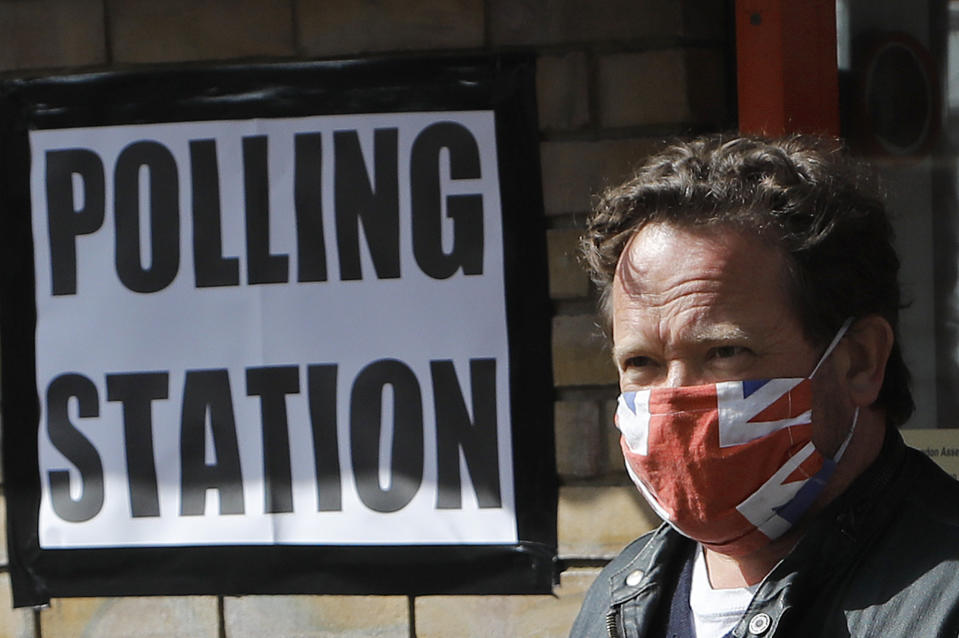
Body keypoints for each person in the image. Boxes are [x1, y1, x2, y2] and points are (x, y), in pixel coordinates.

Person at [569, 135, 959, 638]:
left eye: (724, 352)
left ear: (859, 361)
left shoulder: (943, 601)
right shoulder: (618, 598)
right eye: (641, 362)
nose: (674, 400)